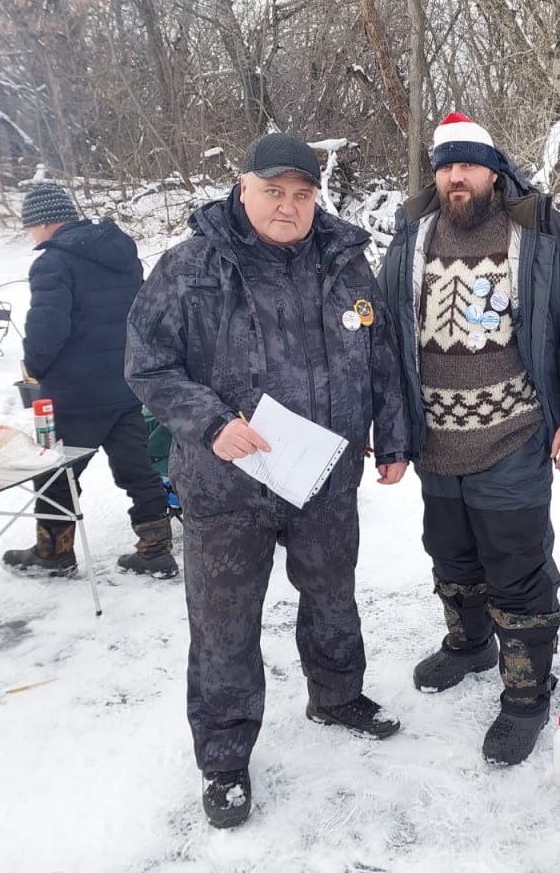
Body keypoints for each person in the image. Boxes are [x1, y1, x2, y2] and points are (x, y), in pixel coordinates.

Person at [125, 133, 411, 829]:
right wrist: (212, 421)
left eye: (302, 195)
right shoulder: (191, 266)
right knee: (223, 623)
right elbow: (147, 365)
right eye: (274, 192)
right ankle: (224, 759)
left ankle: (337, 695)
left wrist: (394, 437)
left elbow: (380, 358)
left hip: (324, 477)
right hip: (229, 486)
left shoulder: (345, 265)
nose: (289, 207)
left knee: (332, 595)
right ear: (243, 187)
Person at [378, 112, 560, 766]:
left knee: (516, 570)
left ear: (494, 170)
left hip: (511, 435)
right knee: (451, 557)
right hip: (435, 441)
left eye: (468, 165)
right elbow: (384, 329)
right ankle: (470, 644)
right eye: (445, 165)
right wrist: (388, 421)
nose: (456, 177)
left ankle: (527, 698)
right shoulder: (412, 233)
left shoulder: (540, 233)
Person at [1, 183, 177, 580]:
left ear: (44, 221)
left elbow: (47, 327)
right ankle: (156, 550)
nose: (33, 235)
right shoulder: (120, 253)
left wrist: (34, 366)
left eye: (31, 227)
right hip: (124, 383)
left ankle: (54, 553)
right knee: (137, 467)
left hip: (71, 393)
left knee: (55, 472)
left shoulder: (53, 262)